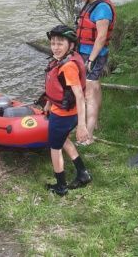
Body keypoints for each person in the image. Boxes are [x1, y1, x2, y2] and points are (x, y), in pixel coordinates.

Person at [43, 25, 92, 196]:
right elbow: (59, 87)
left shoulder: (68, 66)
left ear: (70, 45)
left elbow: (79, 96)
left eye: (60, 43)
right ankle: (83, 173)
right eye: (53, 43)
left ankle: (61, 186)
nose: (55, 47)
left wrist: (82, 125)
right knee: (64, 140)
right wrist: (49, 103)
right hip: (63, 110)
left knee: (55, 148)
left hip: (63, 115)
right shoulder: (68, 58)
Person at [76, 0, 116, 144]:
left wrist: (91, 59)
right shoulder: (91, 6)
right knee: (96, 86)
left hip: (94, 55)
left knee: (89, 93)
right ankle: (95, 122)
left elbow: (100, 38)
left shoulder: (102, 9)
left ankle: (88, 136)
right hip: (86, 52)